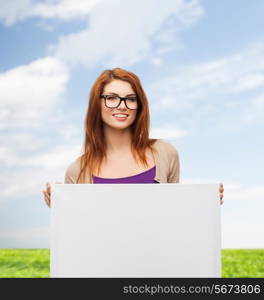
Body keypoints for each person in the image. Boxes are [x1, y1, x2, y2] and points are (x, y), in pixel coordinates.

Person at [43, 68, 224, 207]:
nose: (122, 106)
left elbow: (173, 216)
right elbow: (79, 232)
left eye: (130, 99)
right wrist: (61, 206)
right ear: (96, 105)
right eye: (112, 98)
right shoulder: (77, 171)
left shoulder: (165, 153)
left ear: (139, 106)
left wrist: (204, 202)